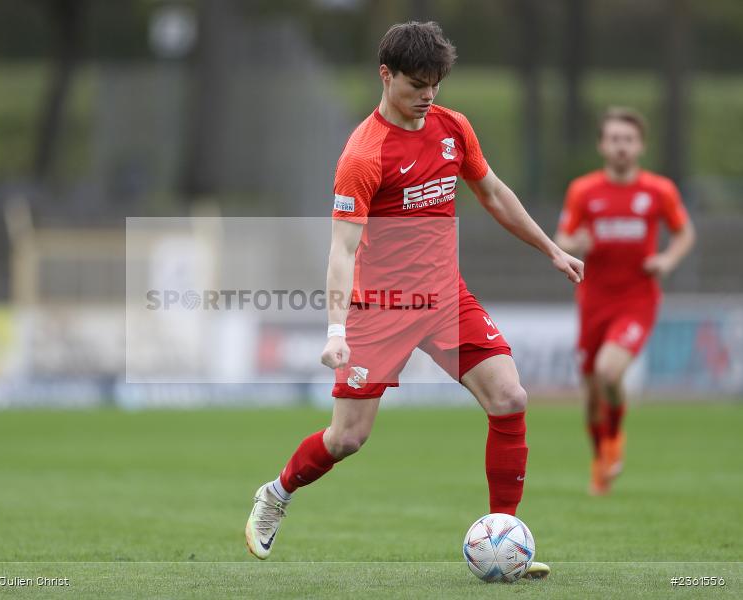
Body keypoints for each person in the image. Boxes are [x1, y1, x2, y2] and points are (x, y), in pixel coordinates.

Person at [245, 22, 584, 577]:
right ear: (386, 75)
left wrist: (550, 249)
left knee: (510, 397)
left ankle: (505, 541)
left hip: (445, 297)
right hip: (379, 308)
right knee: (348, 438)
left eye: (436, 84)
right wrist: (335, 331)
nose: (428, 95)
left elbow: (493, 193)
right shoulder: (363, 154)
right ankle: (277, 493)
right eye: (417, 84)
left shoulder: (453, 128)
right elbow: (342, 251)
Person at [555, 107, 695, 495]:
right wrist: (576, 243)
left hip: (637, 299)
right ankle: (602, 459)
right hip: (593, 301)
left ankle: (614, 442)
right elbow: (562, 237)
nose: (621, 147)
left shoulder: (658, 191)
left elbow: (684, 234)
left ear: (640, 146)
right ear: (602, 144)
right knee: (590, 397)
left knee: (608, 372)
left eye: (628, 140)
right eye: (614, 139)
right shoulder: (584, 191)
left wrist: (667, 259)